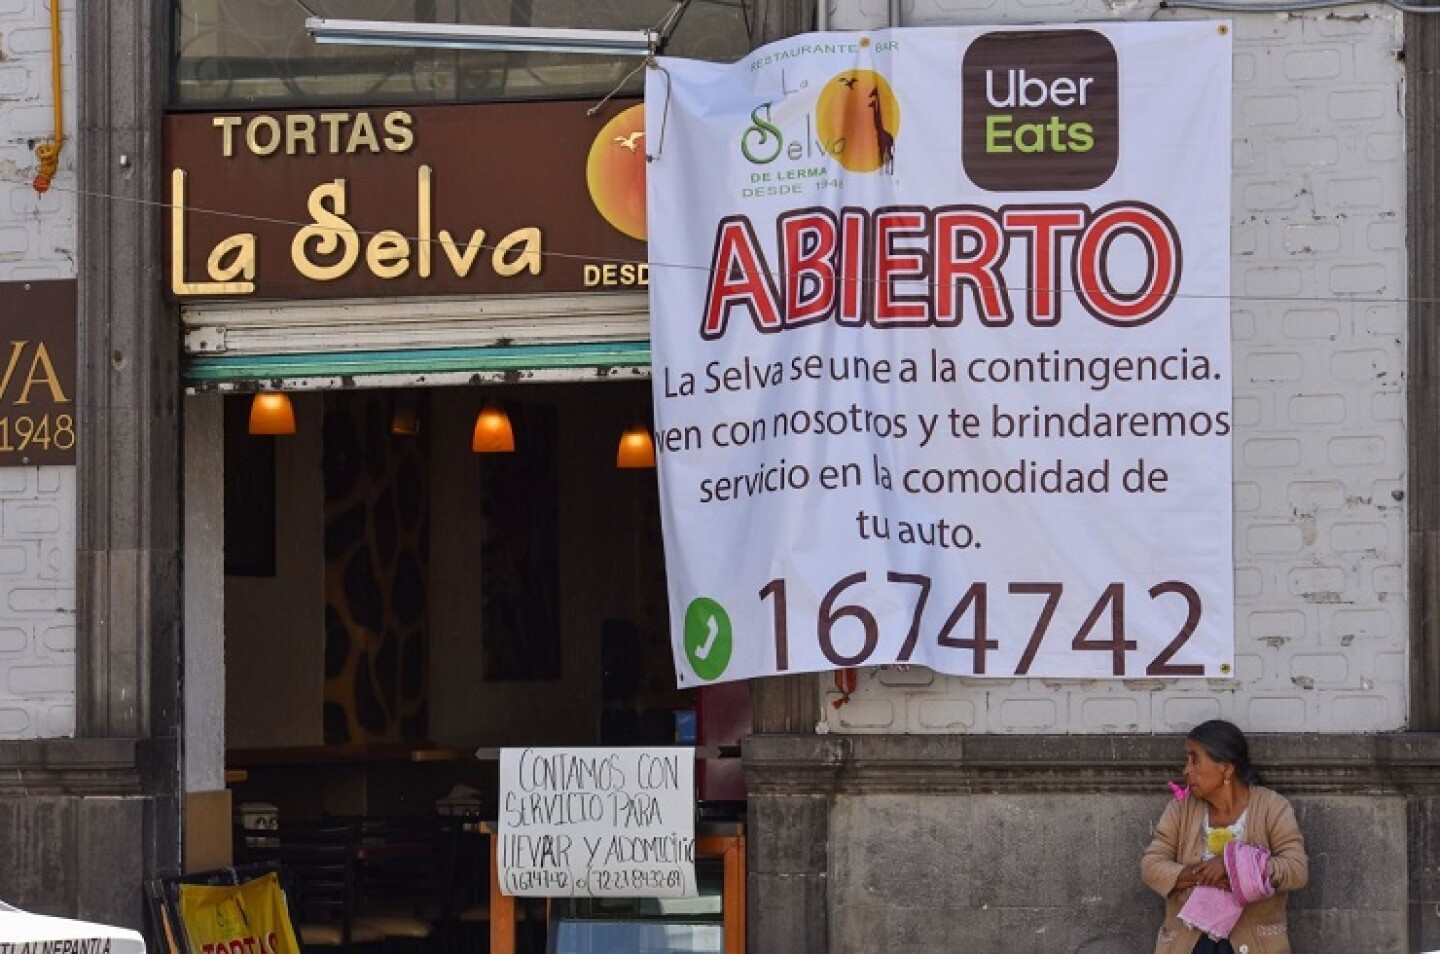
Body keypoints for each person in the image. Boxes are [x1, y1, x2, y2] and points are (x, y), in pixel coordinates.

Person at [1141, 720, 1308, 954]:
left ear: (1226, 769)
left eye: (1194, 759)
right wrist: (1200, 874)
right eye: (1187, 760)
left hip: (1255, 945)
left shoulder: (1272, 807)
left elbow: (1297, 870)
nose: (1186, 770)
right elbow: (1151, 866)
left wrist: (1236, 869)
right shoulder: (1181, 810)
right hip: (1189, 944)